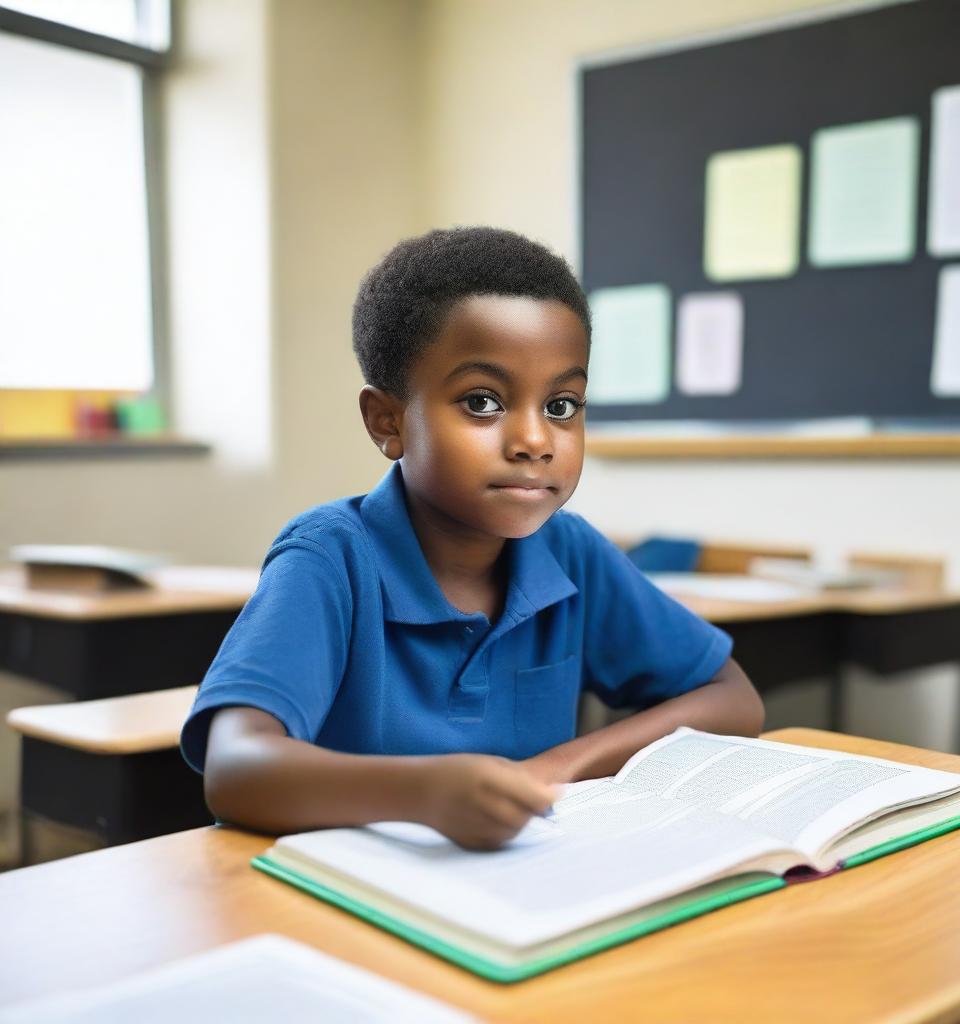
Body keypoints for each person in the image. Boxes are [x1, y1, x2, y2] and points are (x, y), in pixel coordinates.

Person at [181, 226, 764, 850]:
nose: (535, 440)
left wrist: (552, 769)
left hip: (518, 895)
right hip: (344, 899)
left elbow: (733, 699)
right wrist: (424, 793)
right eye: (483, 402)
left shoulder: (568, 552)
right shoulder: (330, 558)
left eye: (563, 406)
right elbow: (236, 769)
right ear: (388, 420)